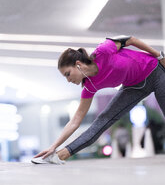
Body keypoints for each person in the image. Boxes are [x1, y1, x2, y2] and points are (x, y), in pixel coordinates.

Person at [31, 36, 165, 164]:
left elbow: (130, 39)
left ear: (78, 64)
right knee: (103, 120)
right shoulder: (89, 86)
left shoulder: (103, 51)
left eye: (68, 74)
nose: (68, 80)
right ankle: (59, 155)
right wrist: (53, 146)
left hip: (157, 71)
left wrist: (159, 56)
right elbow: (75, 120)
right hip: (134, 87)